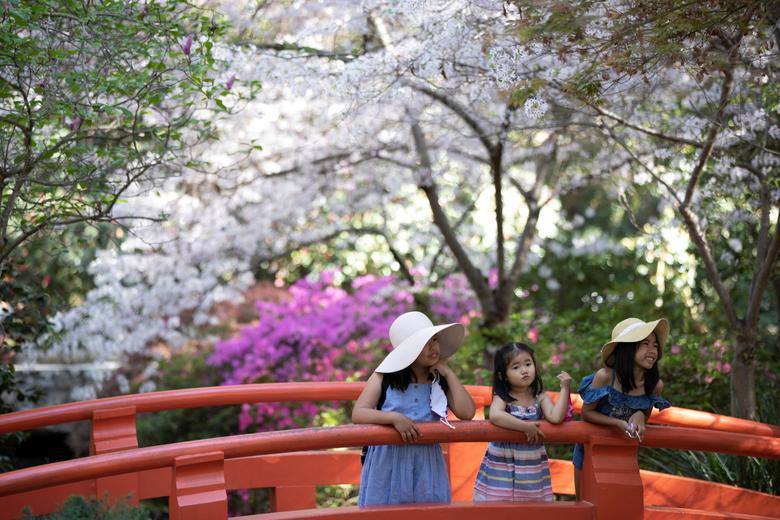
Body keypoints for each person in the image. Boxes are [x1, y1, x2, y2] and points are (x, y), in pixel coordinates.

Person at [353, 311, 476, 507]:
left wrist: (448, 373)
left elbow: (467, 413)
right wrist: (393, 418)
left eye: (434, 340)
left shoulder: (438, 379)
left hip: (427, 460)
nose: (433, 347)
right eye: (426, 342)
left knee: (428, 511)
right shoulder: (384, 377)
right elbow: (359, 412)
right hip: (388, 460)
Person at [573, 317, 671, 498]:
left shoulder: (655, 385)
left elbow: (645, 416)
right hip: (590, 452)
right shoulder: (605, 377)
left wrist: (641, 415)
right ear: (628, 348)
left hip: (623, 454)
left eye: (655, 346)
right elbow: (587, 414)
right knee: (585, 505)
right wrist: (617, 423)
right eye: (645, 344)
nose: (652, 351)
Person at [473, 342, 572, 502]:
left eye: (528, 364)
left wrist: (565, 388)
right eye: (516, 367)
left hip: (530, 464)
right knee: (498, 506)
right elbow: (495, 415)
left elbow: (555, 417)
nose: (524, 370)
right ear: (503, 375)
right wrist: (525, 427)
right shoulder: (503, 397)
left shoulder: (540, 397)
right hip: (502, 464)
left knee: (530, 506)